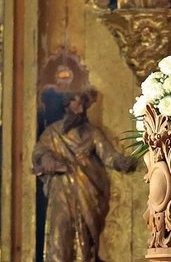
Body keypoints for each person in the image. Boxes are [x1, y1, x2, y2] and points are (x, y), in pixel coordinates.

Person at [33, 89, 137, 262]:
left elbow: (108, 154)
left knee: (85, 233)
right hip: (61, 189)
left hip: (88, 188)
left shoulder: (92, 132)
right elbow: (39, 150)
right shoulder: (53, 132)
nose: (81, 110)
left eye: (83, 105)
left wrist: (122, 162)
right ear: (67, 106)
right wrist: (47, 159)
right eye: (77, 104)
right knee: (60, 230)